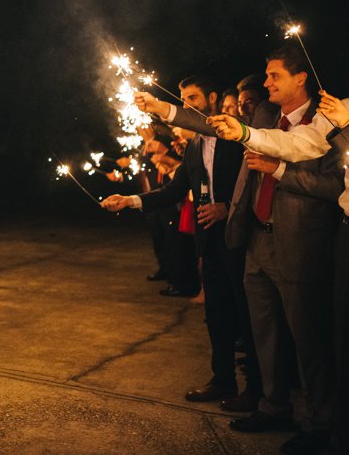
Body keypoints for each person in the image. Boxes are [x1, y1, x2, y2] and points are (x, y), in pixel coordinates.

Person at [104, 75, 261, 411]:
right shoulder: (194, 146)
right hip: (210, 238)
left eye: (193, 97)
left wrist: (227, 208)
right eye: (182, 98)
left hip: (241, 237)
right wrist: (130, 200)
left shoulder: (236, 135)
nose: (188, 103)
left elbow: (254, 185)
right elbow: (175, 191)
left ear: (213, 98)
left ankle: (257, 390)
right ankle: (222, 380)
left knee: (247, 315)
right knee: (216, 314)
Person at [209, 92, 349, 455]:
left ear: (300, 78)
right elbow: (295, 142)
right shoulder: (279, 119)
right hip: (260, 238)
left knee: (310, 338)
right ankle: (275, 408)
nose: (267, 84)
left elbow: (334, 184)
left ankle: (321, 423)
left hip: (302, 245)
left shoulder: (336, 118)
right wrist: (242, 131)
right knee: (266, 333)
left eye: (275, 75)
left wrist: (279, 170)